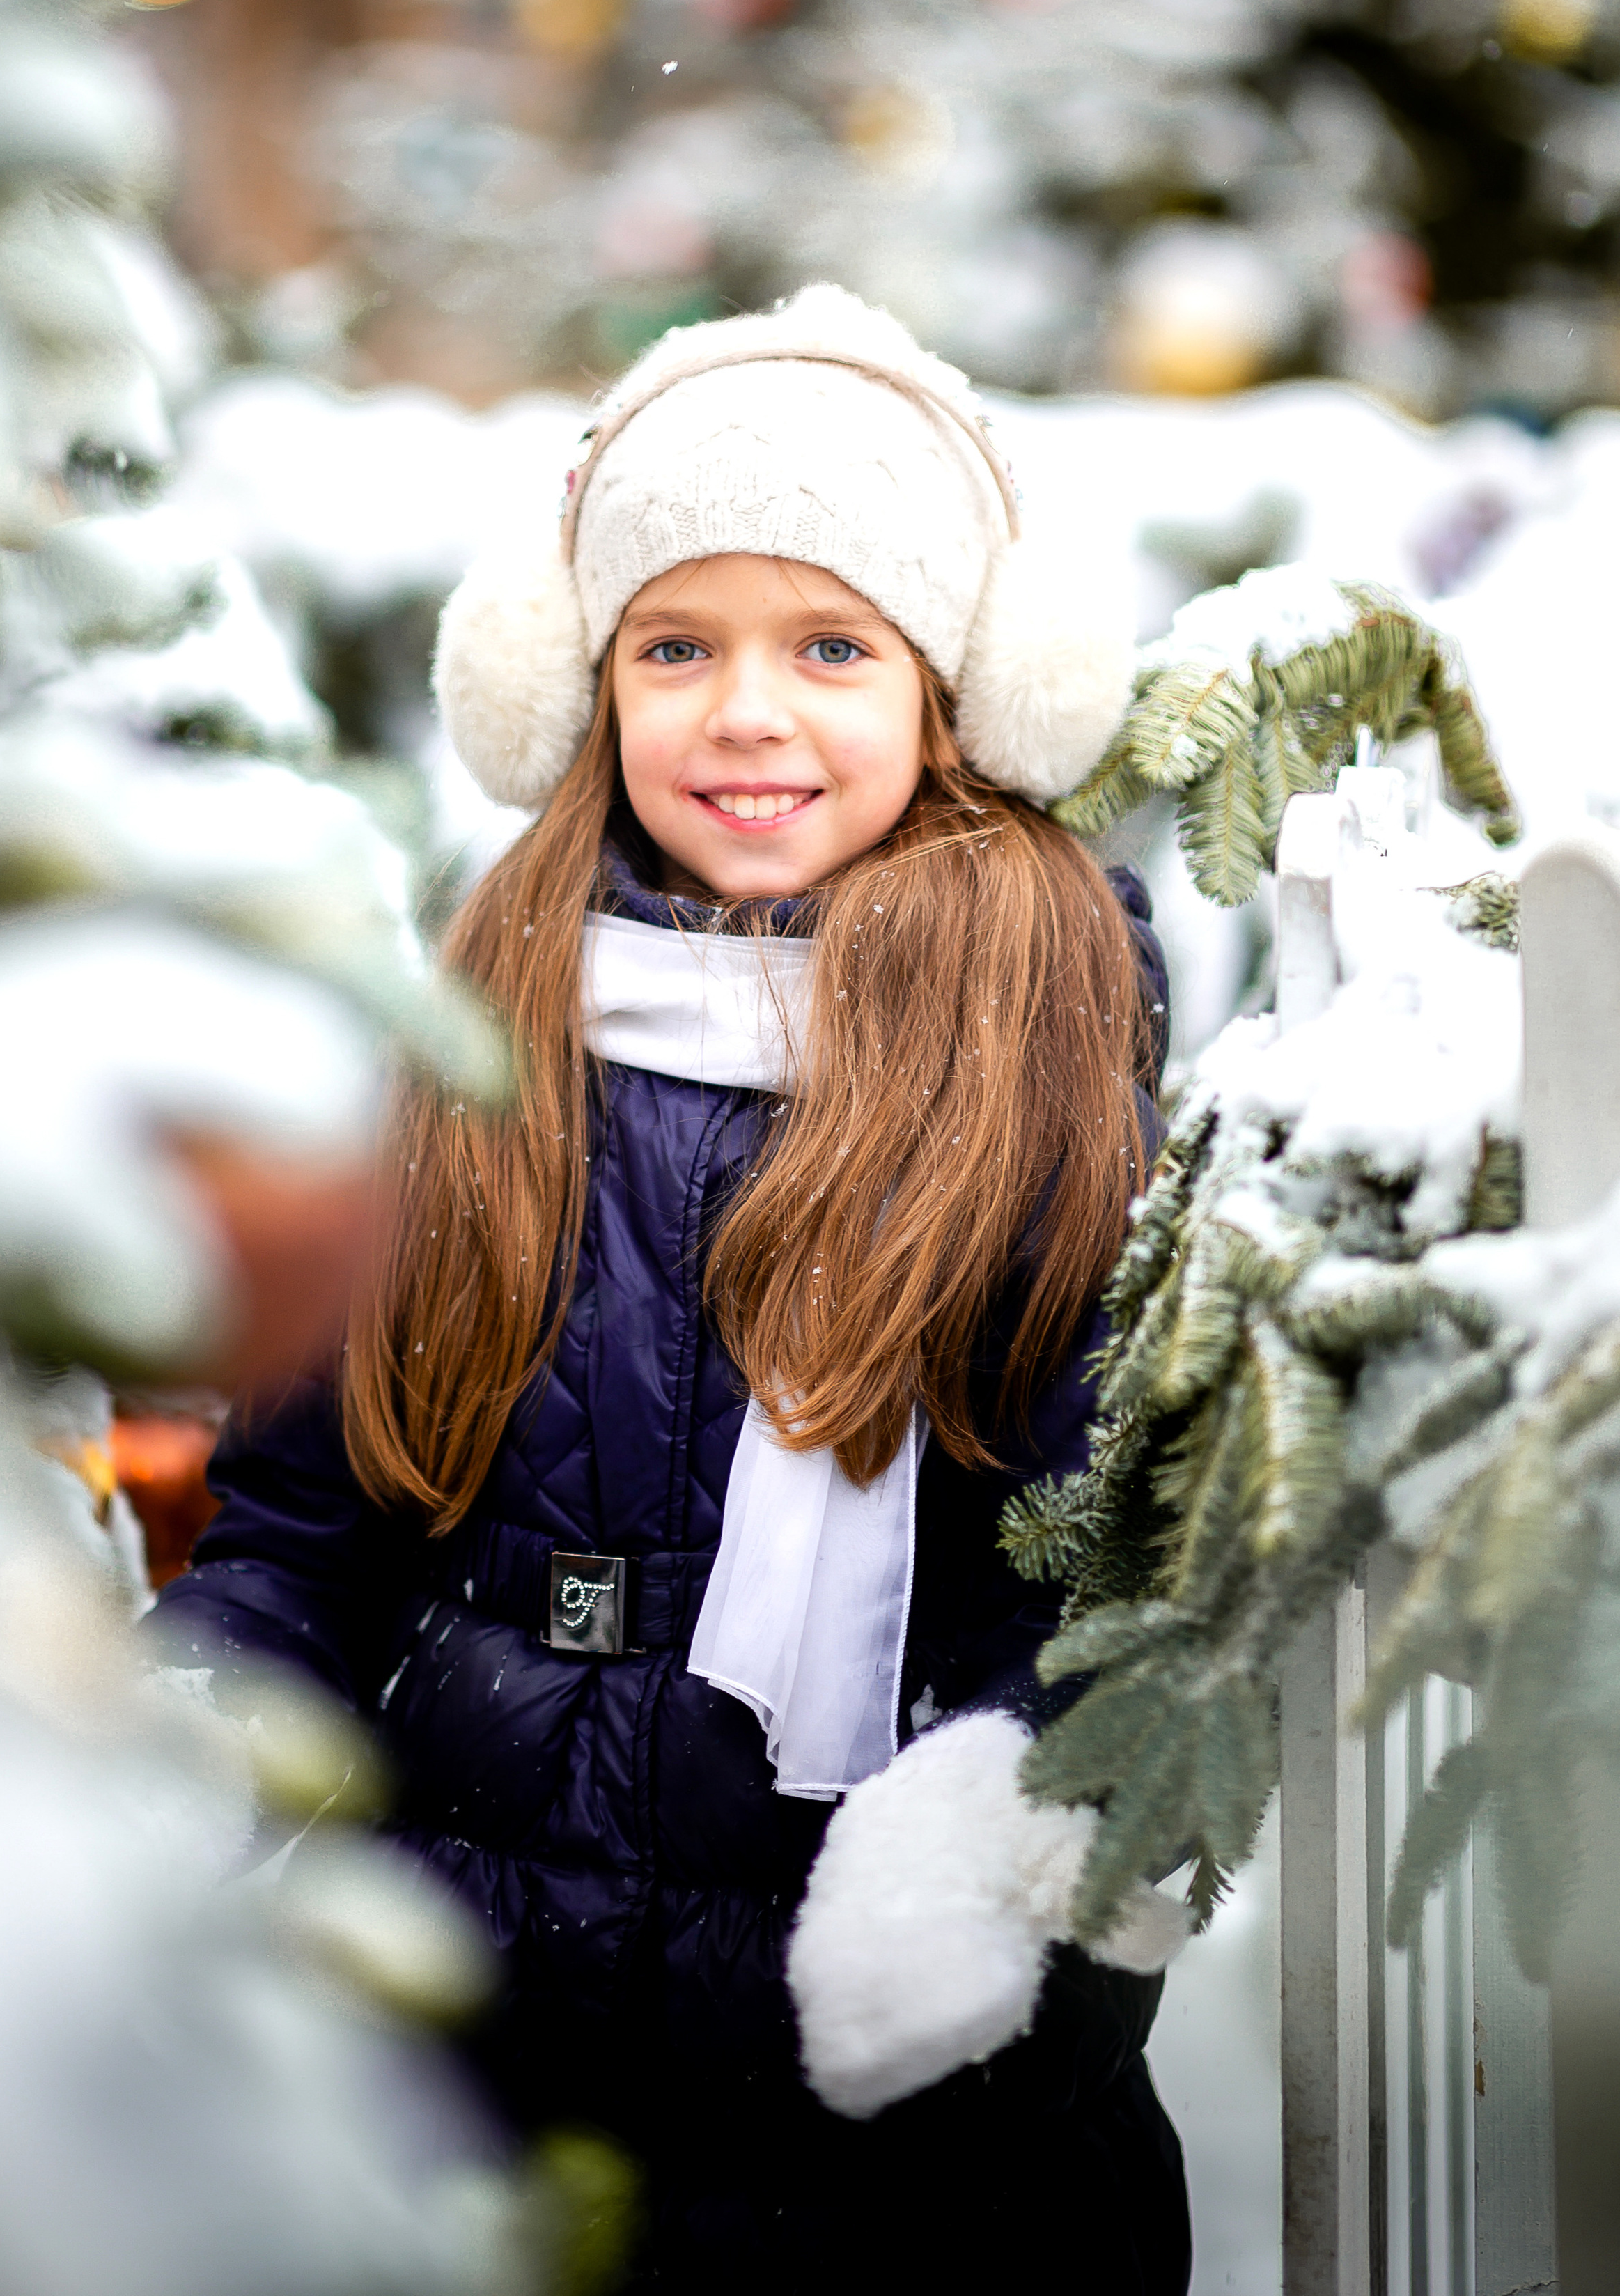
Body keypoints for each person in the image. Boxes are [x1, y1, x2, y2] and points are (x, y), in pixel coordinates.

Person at [150, 286, 1194, 2293]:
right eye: (676, 646)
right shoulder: (478, 1037)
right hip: (479, 2049)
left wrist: (1000, 1960)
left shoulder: (1047, 1067)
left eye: (831, 647)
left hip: (897, 2135)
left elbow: (1097, 1606)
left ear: (959, 691)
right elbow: (302, 1526)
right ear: (582, 679)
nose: (746, 712)